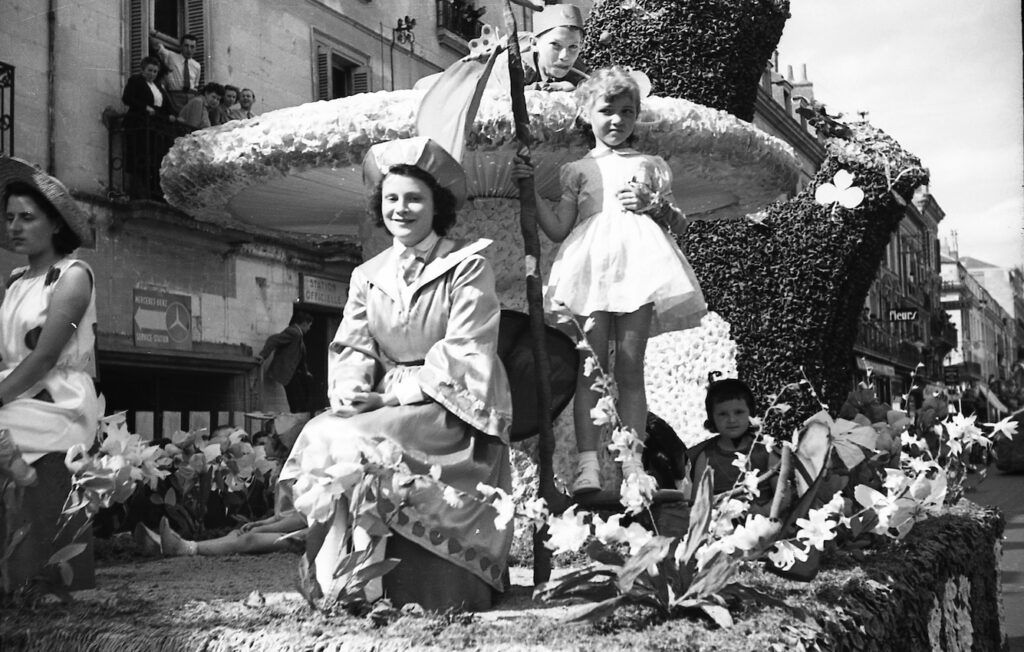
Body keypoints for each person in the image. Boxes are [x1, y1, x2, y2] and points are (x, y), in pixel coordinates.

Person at [278, 137, 513, 609]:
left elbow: (467, 347)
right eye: (391, 198)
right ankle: (338, 576)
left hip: (450, 405)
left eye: (413, 198)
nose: (400, 209)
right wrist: (350, 390)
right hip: (384, 400)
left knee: (362, 441)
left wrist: (391, 398)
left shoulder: (467, 265)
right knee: (324, 431)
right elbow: (352, 344)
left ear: (436, 205)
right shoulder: (368, 274)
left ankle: (376, 582)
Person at [513, 66, 707, 494]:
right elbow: (558, 228)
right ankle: (589, 466)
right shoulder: (577, 170)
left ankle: (633, 464)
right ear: (587, 113)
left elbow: (680, 224)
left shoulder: (650, 166)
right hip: (591, 273)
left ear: (637, 115)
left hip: (637, 270)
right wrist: (530, 191)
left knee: (630, 367)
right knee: (591, 369)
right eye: (607, 110)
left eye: (627, 111)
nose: (617, 120)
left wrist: (654, 204)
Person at [0, 157, 100, 590]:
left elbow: (43, 358)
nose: (15, 227)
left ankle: (21, 470)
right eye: (9, 218)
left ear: (55, 223)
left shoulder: (73, 277)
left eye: (27, 217)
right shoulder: (15, 281)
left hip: (59, 397)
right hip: (18, 389)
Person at [686, 378, 771, 498]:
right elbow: (699, 504)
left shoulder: (766, 451)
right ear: (712, 418)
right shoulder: (706, 458)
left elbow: (784, 498)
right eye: (723, 414)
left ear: (751, 414)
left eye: (739, 412)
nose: (731, 420)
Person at [121, 56, 176, 199]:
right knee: (140, 157)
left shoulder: (158, 86)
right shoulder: (136, 81)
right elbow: (127, 98)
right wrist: (145, 107)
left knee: (154, 158)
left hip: (154, 126)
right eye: (150, 70)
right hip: (139, 123)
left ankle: (153, 192)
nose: (152, 74)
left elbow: (166, 105)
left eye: (155, 71)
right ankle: (138, 192)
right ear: (143, 70)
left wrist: (171, 115)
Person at [134, 512, 307, 557]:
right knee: (236, 534)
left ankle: (184, 548)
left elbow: (302, 517)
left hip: (311, 535)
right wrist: (263, 523)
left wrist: (263, 529)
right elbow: (289, 513)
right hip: (303, 527)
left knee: (249, 539)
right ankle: (171, 546)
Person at [256, 311, 315, 413]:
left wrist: (306, 372)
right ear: (304, 323)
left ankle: (300, 415)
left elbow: (300, 356)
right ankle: (297, 418)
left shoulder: (298, 335)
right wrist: (263, 355)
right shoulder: (294, 332)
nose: (309, 329)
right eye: (309, 326)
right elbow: (273, 339)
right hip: (289, 373)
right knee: (296, 401)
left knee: (300, 399)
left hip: (294, 373)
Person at [151, 32, 201, 113]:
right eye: (186, 46)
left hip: (191, 97)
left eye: (192, 47)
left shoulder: (197, 65)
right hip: (176, 96)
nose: (189, 49)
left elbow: (196, 85)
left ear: (195, 49)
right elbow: (154, 42)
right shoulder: (171, 56)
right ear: (181, 46)